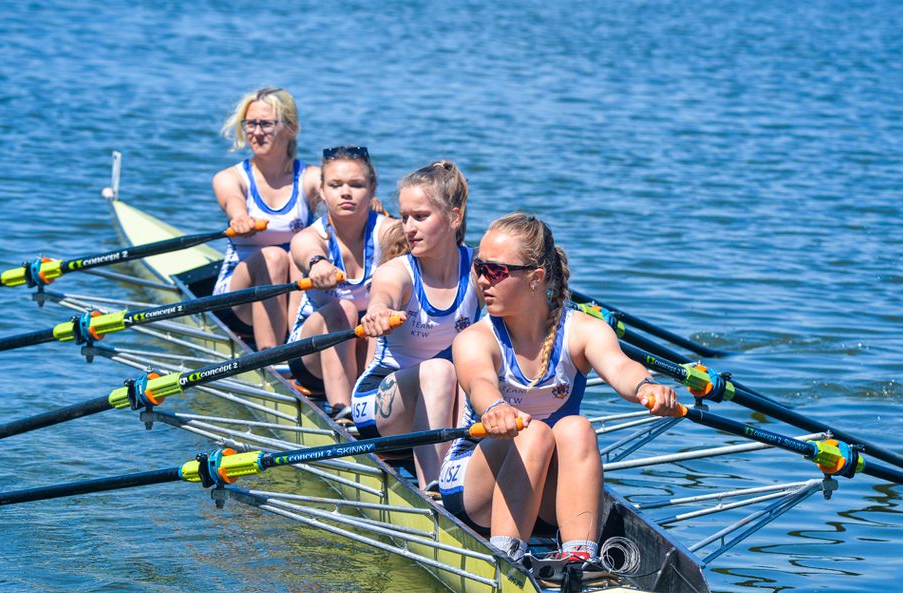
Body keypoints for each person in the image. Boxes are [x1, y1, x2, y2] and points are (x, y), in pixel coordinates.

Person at [439, 212, 678, 562]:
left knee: (576, 428)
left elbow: (620, 366)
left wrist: (647, 387)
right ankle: (505, 556)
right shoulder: (476, 338)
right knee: (532, 433)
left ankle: (580, 561)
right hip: (475, 490)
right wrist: (494, 408)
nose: (481, 280)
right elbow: (479, 383)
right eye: (478, 267)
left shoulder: (583, 330)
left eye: (496, 271)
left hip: (544, 492)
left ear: (536, 278)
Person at [351, 161, 480, 487]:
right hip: (381, 404)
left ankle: (468, 471)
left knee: (477, 367)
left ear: (454, 217)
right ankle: (434, 486)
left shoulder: (479, 269)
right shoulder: (398, 272)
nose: (408, 227)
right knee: (441, 370)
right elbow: (383, 294)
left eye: (420, 217)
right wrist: (377, 312)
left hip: (448, 401)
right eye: (405, 216)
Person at [285, 145, 400, 415]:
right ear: (322, 191)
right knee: (345, 310)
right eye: (336, 185)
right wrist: (317, 263)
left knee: (381, 314)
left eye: (356, 184)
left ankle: (369, 406)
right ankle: (342, 408)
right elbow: (303, 248)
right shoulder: (312, 237)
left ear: (372, 189)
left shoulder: (390, 231)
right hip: (310, 355)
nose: (346, 192)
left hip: (366, 348)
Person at [212, 87, 321, 349]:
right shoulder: (231, 178)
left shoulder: (311, 178)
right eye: (250, 124)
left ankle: (296, 350)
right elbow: (233, 201)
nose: (256, 132)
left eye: (265, 124)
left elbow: (338, 194)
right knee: (273, 257)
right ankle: (270, 357)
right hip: (238, 300)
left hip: (292, 284)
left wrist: (363, 204)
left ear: (291, 128)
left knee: (302, 257)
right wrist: (239, 217)